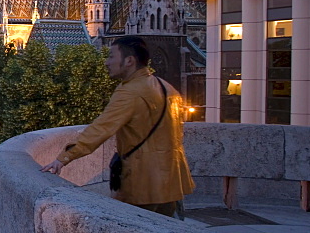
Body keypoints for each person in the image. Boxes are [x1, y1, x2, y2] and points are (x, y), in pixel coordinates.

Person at [40, 36, 194, 216]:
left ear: (129, 61)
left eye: (111, 56)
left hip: (144, 182)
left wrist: (63, 157)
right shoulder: (166, 87)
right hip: (171, 180)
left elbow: (101, 128)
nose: (106, 62)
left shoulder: (130, 92)